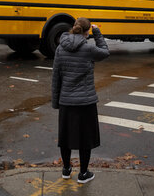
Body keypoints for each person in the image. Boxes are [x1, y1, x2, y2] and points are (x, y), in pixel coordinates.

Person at [51, 17, 110, 184]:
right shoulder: (89, 49)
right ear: (87, 32)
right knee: (86, 139)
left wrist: (56, 102)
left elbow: (56, 77)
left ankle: (66, 169)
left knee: (66, 138)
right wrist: (97, 33)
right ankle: (83, 173)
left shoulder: (60, 48)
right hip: (85, 102)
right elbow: (105, 52)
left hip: (66, 102)